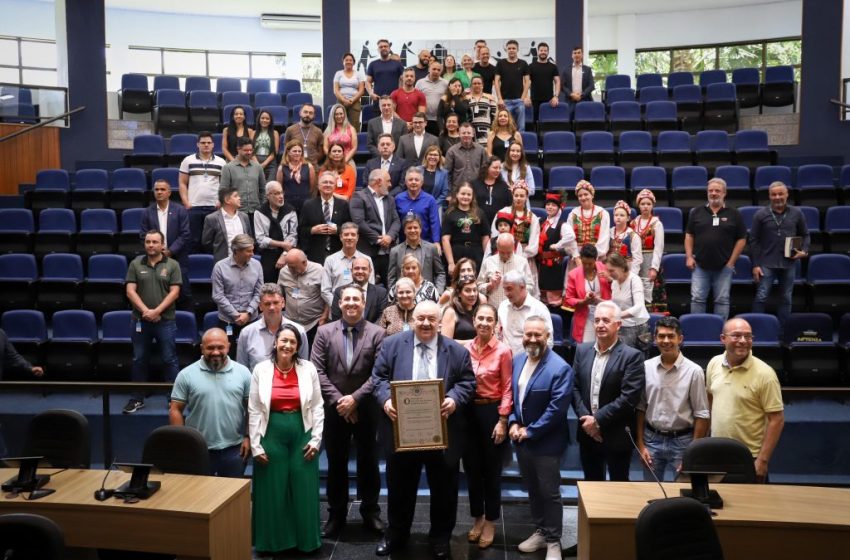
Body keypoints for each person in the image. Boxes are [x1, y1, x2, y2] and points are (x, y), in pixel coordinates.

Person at [371, 300, 476, 559]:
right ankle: (396, 535)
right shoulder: (392, 344)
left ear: (440, 322)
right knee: (399, 488)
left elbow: (467, 382)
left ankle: (440, 538)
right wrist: (385, 401)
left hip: (442, 433)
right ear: (412, 320)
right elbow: (379, 379)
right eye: (421, 318)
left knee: (444, 490)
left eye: (431, 318)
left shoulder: (456, 351)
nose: (426, 323)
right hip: (401, 433)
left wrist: (453, 399)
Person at [313, 284, 387, 538]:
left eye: (357, 299)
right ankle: (336, 515)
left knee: (369, 463)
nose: (352, 303)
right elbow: (317, 372)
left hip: (366, 410)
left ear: (363, 303)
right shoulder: (324, 332)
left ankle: (370, 512)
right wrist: (341, 402)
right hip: (335, 411)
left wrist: (354, 400)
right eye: (347, 299)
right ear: (340, 304)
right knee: (336, 464)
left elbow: (379, 373)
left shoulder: (377, 333)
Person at [249, 324, 324, 554]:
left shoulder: (308, 368)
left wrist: (316, 440)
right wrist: (255, 445)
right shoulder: (260, 370)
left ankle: (306, 542)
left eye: (292, 342)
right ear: (275, 343)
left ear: (298, 347)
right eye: (284, 341)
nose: (287, 345)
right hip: (271, 432)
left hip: (303, 431)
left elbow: (318, 406)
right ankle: (272, 542)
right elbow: (253, 409)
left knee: (304, 487)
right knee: (272, 489)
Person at [510, 316, 573, 560]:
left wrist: (530, 431)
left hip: (546, 443)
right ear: (522, 336)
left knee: (549, 492)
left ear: (547, 337)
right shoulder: (517, 361)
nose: (533, 339)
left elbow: (556, 410)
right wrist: (515, 422)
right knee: (533, 490)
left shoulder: (560, 367)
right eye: (528, 334)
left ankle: (554, 541)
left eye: (538, 334)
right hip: (522, 440)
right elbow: (515, 397)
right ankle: (540, 531)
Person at [571, 300, 645, 481]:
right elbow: (574, 388)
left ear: (618, 325)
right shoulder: (582, 350)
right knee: (591, 487)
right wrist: (588, 423)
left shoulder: (632, 356)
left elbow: (628, 398)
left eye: (606, 320)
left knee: (618, 492)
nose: (600, 325)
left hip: (616, 434)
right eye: (596, 320)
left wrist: (597, 420)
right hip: (587, 434)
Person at [706, 318, 785, 483]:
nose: (743, 341)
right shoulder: (714, 363)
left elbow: (776, 419)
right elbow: (710, 398)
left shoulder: (766, 374)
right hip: (715, 453)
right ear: (723, 339)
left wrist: (762, 461)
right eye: (736, 336)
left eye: (748, 337)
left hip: (748, 457)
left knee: (751, 507)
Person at [635, 316, 710, 482]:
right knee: (651, 493)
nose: (666, 340)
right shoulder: (646, 368)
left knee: (684, 494)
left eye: (671, 336)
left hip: (683, 442)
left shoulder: (694, 371)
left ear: (680, 339)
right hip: (652, 440)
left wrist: (692, 453)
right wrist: (641, 446)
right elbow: (640, 408)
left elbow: (702, 414)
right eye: (661, 336)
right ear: (655, 339)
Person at [462, 304, 512, 549]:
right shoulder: (465, 349)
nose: (484, 322)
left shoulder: (503, 351)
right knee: (472, 470)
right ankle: (478, 518)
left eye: (489, 319)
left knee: (491, 472)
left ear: (496, 323)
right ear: (474, 321)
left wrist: (503, 420)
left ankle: (491, 520)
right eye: (480, 318)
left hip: (491, 413)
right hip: (468, 412)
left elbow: (507, 388)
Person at [170, 328, 251, 477]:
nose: (215, 352)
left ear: (228, 346)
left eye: (220, 347)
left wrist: (248, 437)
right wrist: (182, 443)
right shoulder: (186, 374)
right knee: (199, 496)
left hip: (235, 449)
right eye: (210, 347)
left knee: (232, 496)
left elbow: (251, 409)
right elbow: (175, 409)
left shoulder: (244, 373)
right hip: (198, 449)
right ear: (202, 348)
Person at [123, 230, 182, 414]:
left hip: (165, 321)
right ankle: (137, 399)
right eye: (148, 242)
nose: (151, 245)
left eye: (155, 242)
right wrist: (146, 311)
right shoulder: (135, 264)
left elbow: (175, 292)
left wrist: (157, 311)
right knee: (139, 359)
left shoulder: (172, 264)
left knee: (169, 359)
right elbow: (130, 291)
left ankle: (174, 399)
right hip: (141, 320)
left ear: (162, 245)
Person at [684, 177, 747, 320]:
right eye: (710, 190)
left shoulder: (734, 213)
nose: (713, 193)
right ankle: (697, 330)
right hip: (699, 265)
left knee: (722, 301)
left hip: (724, 266)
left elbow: (742, 239)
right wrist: (689, 256)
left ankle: (721, 333)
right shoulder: (697, 212)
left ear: (724, 193)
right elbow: (689, 235)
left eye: (717, 191)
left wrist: (731, 262)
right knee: (698, 299)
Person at [750, 181, 809, 329]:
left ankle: (783, 330)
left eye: (780, 193)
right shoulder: (761, 214)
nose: (777, 197)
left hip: (789, 263)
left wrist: (804, 251)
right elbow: (753, 240)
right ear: (769, 196)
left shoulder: (797, 213)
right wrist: (756, 265)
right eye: (774, 194)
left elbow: (805, 234)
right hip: (766, 263)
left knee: (786, 298)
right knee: (761, 297)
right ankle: (756, 328)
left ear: (787, 194)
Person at [140, 178, 192, 304]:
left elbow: (185, 234)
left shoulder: (180, 210)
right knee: (158, 294)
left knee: (182, 294)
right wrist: (157, 250)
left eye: (162, 189)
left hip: (177, 257)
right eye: (156, 189)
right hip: (154, 259)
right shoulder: (147, 212)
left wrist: (170, 251)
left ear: (169, 192)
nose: (159, 192)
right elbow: (143, 235)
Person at [237, 283, 309, 370]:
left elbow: (303, 368)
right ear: (260, 306)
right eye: (267, 304)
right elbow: (242, 371)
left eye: (275, 302)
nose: (271, 307)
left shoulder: (299, 331)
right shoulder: (246, 334)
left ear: (283, 303)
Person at [350, 168, 401, 285]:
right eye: (388, 181)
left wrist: (389, 237)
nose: (390, 184)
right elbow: (359, 222)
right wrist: (378, 239)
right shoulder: (359, 196)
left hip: (388, 252)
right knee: (366, 287)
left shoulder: (390, 199)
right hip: (368, 251)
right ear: (378, 181)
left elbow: (396, 220)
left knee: (392, 287)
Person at [211, 233, 263, 347]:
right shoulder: (220, 267)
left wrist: (248, 313)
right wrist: (236, 315)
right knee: (229, 353)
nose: (252, 254)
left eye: (252, 250)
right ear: (237, 251)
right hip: (228, 320)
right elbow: (218, 295)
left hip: (251, 319)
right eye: (248, 251)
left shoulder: (257, 265)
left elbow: (259, 292)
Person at [179, 131, 226, 252]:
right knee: (193, 241)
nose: (206, 145)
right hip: (194, 206)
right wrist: (186, 202)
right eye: (203, 142)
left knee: (211, 241)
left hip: (213, 207)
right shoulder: (187, 161)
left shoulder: (221, 162)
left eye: (209, 143)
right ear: (197, 144)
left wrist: (220, 202)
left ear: (213, 145)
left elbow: (224, 185)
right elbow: (182, 183)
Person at [492, 182, 540, 295]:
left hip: (525, 257)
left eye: (522, 196)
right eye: (516, 195)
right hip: (503, 255)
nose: (519, 198)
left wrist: (519, 257)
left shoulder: (532, 217)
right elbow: (494, 236)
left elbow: (534, 244)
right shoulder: (503, 212)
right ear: (512, 196)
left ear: (526, 197)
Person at [298, 170, 352, 266]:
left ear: (335, 186)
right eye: (324, 182)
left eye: (331, 182)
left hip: (338, 253)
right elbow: (301, 230)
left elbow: (349, 228)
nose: (328, 185)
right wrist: (312, 230)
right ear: (318, 186)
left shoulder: (343, 205)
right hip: (315, 255)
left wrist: (338, 230)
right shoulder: (308, 205)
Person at [563, 244, 612, 344]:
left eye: (590, 264)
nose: (587, 266)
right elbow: (569, 299)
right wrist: (583, 301)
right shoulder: (573, 274)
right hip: (585, 316)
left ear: (596, 259)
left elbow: (617, 288)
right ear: (580, 259)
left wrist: (611, 280)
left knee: (605, 346)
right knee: (587, 348)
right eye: (584, 263)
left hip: (606, 314)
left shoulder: (604, 268)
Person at [498, 270, 554, 354]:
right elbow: (499, 335)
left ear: (522, 287)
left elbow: (548, 341)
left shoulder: (539, 309)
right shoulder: (503, 306)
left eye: (509, 289)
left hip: (530, 360)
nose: (506, 293)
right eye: (504, 289)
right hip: (505, 360)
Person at [279, 249, 328, 344]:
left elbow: (327, 295)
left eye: (293, 267)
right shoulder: (284, 272)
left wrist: (324, 316)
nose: (290, 270)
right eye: (288, 266)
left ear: (304, 262)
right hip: (291, 322)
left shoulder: (319, 270)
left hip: (314, 322)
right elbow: (279, 295)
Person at [321, 222, 376, 306]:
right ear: (340, 237)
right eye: (346, 234)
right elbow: (325, 290)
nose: (349, 237)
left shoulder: (367, 259)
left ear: (357, 237)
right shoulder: (330, 260)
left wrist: (360, 305)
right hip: (337, 310)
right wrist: (339, 305)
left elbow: (370, 287)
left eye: (353, 235)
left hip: (360, 310)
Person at [605, 253, 651, 354]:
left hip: (638, 328)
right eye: (608, 271)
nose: (609, 274)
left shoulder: (634, 280)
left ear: (622, 267)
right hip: (623, 326)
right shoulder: (614, 282)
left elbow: (639, 307)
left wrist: (618, 315)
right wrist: (598, 301)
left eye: (612, 270)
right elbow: (616, 304)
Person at [387, 214, 445, 293]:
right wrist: (395, 295)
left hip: (427, 297)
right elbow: (391, 277)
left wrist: (438, 293)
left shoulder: (431, 248)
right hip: (404, 297)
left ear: (420, 229)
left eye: (415, 227)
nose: (413, 230)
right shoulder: (395, 251)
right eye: (409, 228)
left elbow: (440, 273)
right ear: (404, 230)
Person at [254, 181, 297, 284]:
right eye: (277, 193)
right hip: (268, 253)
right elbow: (260, 239)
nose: (281, 196)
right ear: (268, 195)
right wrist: (281, 244)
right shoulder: (259, 212)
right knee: (269, 285)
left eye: (282, 193)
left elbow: (293, 236)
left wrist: (284, 255)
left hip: (287, 253)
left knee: (288, 285)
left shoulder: (290, 211)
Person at [630, 189, 666, 311]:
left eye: (648, 204)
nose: (645, 206)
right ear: (638, 205)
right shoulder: (634, 223)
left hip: (650, 259)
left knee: (648, 290)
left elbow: (659, 247)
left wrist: (654, 267)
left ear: (653, 205)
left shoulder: (657, 223)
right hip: (636, 260)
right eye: (643, 204)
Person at [538, 193, 577, 306]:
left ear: (559, 208)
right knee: (542, 296)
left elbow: (571, 236)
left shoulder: (562, 225)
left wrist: (558, 245)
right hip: (541, 264)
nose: (550, 207)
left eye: (553, 205)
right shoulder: (541, 221)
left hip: (554, 265)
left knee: (553, 297)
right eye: (548, 205)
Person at [442, 182, 490, 273]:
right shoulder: (450, 214)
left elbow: (485, 237)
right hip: (456, 252)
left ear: (472, 196)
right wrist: (451, 263)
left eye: (469, 194)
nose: (466, 197)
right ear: (457, 195)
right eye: (463, 194)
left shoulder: (480, 213)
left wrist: (486, 260)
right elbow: (445, 239)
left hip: (476, 252)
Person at [477, 232, 534, 309]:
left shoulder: (522, 262)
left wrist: (518, 289)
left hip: (515, 309)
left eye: (509, 252)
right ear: (497, 247)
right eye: (502, 252)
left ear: (513, 247)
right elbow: (478, 287)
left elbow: (530, 286)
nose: (505, 255)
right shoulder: (488, 262)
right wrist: (490, 285)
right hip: (494, 310)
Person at [329, 257, 388, 323]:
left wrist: (370, 332)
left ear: (370, 271)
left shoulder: (381, 293)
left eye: (364, 268)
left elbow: (382, 318)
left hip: (373, 332)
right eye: (357, 268)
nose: (360, 271)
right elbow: (336, 319)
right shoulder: (340, 291)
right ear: (351, 271)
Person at [201, 186, 252, 263]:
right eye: (235, 196)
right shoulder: (212, 218)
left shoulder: (244, 217)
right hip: (223, 263)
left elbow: (249, 237)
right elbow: (207, 243)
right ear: (227, 200)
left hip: (244, 261)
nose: (239, 198)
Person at [220, 136, 267, 215]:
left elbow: (263, 189)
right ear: (238, 149)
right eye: (246, 150)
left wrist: (263, 206)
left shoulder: (258, 167)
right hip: (236, 212)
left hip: (256, 211)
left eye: (250, 150)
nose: (249, 152)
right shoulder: (228, 168)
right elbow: (223, 190)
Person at [395, 167, 441, 243]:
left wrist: (436, 242)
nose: (413, 182)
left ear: (422, 182)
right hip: (404, 244)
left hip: (426, 243)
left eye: (416, 180)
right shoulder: (398, 199)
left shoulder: (430, 200)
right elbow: (395, 222)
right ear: (406, 182)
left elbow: (435, 223)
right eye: (410, 180)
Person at [567, 180, 610, 261]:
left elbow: (604, 237)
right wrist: (576, 256)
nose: (583, 197)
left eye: (586, 194)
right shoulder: (572, 214)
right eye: (580, 195)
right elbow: (569, 238)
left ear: (592, 195)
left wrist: (593, 255)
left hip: (597, 258)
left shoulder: (603, 213)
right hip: (577, 259)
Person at [494, 40, 531, 132]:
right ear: (506, 50)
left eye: (513, 48)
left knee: (521, 127)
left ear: (517, 49)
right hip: (505, 102)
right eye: (509, 48)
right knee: (505, 128)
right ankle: (508, 146)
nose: (511, 50)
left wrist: (523, 98)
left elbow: (527, 81)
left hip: (519, 101)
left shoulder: (523, 63)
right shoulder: (501, 63)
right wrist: (499, 99)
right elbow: (496, 81)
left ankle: (519, 146)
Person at [276, 139, 317, 214]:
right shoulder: (282, 168)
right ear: (288, 152)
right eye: (294, 151)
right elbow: (280, 187)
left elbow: (312, 187)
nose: (297, 153)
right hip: (288, 203)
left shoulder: (309, 166)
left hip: (305, 202)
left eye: (299, 151)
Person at [445, 122, 489, 191]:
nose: (466, 135)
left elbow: (485, 171)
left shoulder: (481, 150)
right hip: (457, 191)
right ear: (459, 134)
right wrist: (449, 193)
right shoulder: (452, 151)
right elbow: (447, 174)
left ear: (473, 133)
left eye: (468, 133)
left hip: (477, 190)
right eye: (463, 133)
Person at [472, 155, 512, 226]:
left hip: (498, 224)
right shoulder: (474, 184)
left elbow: (509, 205)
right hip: (477, 223)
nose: (498, 170)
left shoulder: (504, 186)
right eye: (495, 168)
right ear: (487, 168)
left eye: (499, 168)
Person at [439, 275, 479, 341]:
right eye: (467, 290)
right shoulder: (451, 312)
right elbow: (446, 343)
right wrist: (474, 343)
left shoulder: (478, 311)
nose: (472, 294)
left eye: (474, 290)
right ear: (459, 293)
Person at [528, 42, 560, 122]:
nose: (543, 52)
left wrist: (556, 96)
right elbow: (526, 82)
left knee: (548, 123)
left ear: (548, 52)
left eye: (545, 50)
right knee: (534, 124)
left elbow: (557, 82)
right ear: (538, 51)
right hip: (534, 100)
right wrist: (526, 96)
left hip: (549, 100)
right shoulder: (531, 66)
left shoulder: (553, 67)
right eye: (541, 50)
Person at [608, 200, 643, 276]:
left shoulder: (633, 236)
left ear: (628, 218)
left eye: (622, 215)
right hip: (610, 271)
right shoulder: (608, 233)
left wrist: (632, 276)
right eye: (616, 215)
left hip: (626, 271)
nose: (618, 217)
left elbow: (637, 259)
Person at [334, 52, 366, 132]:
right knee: (339, 124)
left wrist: (352, 99)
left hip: (354, 102)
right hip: (341, 101)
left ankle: (354, 143)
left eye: (350, 60)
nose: (348, 61)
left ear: (354, 62)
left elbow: (361, 90)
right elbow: (336, 90)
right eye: (346, 60)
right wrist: (344, 100)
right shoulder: (338, 73)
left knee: (354, 126)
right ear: (343, 62)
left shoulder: (359, 74)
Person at [416, 60, 449, 136]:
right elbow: (416, 100)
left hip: (439, 120)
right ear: (429, 69)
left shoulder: (445, 83)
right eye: (434, 69)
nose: (436, 71)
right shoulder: (420, 82)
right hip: (424, 119)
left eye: (438, 70)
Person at [467, 76, 497, 147]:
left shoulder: (490, 98)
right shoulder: (466, 98)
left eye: (479, 83)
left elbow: (494, 115)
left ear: (482, 85)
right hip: (470, 130)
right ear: (471, 85)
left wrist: (493, 130)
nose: (477, 85)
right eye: (474, 83)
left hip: (486, 130)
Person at [253, 109, 280, 181]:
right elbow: (251, 150)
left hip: (270, 162)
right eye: (262, 118)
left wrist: (264, 164)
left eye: (267, 118)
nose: (264, 120)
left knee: (270, 187)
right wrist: (257, 164)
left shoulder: (275, 133)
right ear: (259, 119)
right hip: (255, 162)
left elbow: (275, 152)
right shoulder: (253, 133)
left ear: (270, 121)